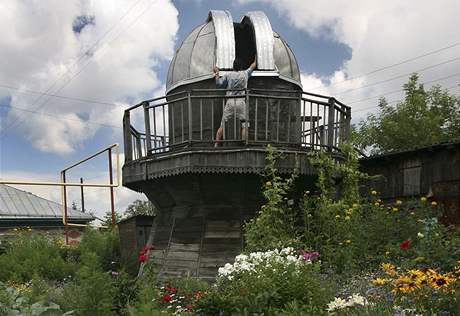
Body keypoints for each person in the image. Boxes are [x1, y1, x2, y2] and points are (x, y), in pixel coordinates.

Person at [213, 57, 257, 147]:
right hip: (241, 102)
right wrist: (256, 58)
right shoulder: (244, 74)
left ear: (233, 66)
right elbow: (252, 66)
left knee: (223, 124)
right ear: (241, 67)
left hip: (230, 102)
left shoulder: (228, 75)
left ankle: (216, 144)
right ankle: (245, 143)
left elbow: (219, 84)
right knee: (244, 125)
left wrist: (217, 73)